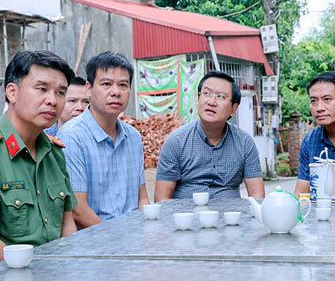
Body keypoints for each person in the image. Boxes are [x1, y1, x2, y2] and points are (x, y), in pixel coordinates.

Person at [0, 51, 77, 264]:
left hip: (58, 275)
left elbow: (67, 225)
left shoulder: (55, 152)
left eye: (60, 93)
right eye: (42, 89)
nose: (52, 100)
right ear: (12, 92)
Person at [59, 52, 147, 228]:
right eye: (106, 84)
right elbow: (78, 209)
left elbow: (142, 197)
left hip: (134, 239)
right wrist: (116, 242)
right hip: (93, 243)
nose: (115, 92)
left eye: (123, 85)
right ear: (89, 88)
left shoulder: (133, 137)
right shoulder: (72, 136)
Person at [154, 70, 264, 201]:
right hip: (186, 218)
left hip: (231, 219)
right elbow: (161, 199)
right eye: (206, 93)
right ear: (198, 99)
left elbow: (257, 196)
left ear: (233, 109)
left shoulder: (244, 142)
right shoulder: (176, 141)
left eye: (221, 96)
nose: (212, 101)